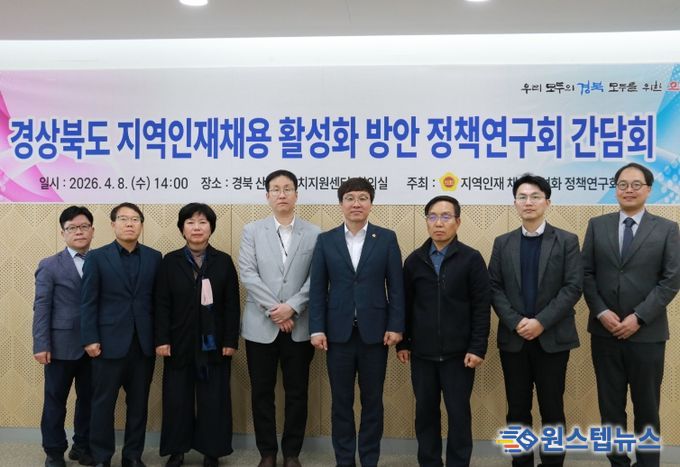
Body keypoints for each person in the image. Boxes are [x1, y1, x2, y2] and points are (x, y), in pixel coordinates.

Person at [582, 162, 680, 467]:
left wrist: (639, 317)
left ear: (649, 190)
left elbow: (671, 279)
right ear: (615, 190)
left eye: (636, 184)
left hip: (647, 334)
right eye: (622, 184)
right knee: (610, 407)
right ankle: (618, 463)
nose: (628, 190)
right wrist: (600, 311)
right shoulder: (597, 225)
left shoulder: (667, 229)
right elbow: (585, 274)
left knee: (647, 408)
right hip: (605, 332)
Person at [309, 177, 405, 467]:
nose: (356, 204)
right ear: (341, 204)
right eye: (350, 198)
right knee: (341, 402)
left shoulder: (386, 238)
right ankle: (344, 460)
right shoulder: (326, 240)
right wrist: (317, 328)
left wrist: (396, 325)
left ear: (371, 204)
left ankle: (370, 459)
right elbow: (318, 288)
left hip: (375, 334)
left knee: (372, 401)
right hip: (337, 335)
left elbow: (396, 287)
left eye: (363, 198)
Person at [489, 174, 582, 467]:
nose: (528, 202)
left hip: (552, 338)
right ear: (515, 203)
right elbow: (494, 287)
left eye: (535, 197)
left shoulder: (567, 241)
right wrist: (516, 321)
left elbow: (572, 287)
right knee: (517, 410)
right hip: (514, 338)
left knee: (552, 409)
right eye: (522, 197)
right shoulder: (503, 243)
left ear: (547, 202)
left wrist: (541, 322)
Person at [397, 195, 490, 467]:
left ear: (457, 222)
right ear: (426, 221)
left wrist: (477, 347)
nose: (439, 223)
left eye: (446, 216)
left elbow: (482, 307)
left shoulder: (471, 259)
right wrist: (403, 343)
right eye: (433, 217)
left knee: (459, 415)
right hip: (422, 354)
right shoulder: (414, 261)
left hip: (459, 355)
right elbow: (405, 305)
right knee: (425, 414)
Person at [239, 170, 320, 467]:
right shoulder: (252, 230)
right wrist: (277, 310)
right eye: (276, 189)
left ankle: (292, 453)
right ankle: (267, 453)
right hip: (261, 326)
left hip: (299, 325)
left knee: (297, 393)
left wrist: (292, 307)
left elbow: (317, 277)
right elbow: (248, 273)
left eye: (287, 189)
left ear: (297, 194)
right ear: (267, 196)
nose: (282, 194)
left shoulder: (314, 233)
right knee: (262, 392)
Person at [155, 203, 240, 467]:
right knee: (176, 399)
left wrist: (230, 340)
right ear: (182, 229)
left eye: (203, 222)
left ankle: (212, 451)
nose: (196, 228)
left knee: (213, 399)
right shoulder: (170, 261)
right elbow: (161, 304)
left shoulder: (223, 261)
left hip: (213, 343)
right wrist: (162, 339)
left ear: (211, 228)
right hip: (178, 342)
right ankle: (176, 451)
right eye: (190, 222)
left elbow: (232, 304)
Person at [80, 202, 162, 467]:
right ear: (113, 224)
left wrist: (159, 339)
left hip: (143, 344)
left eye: (135, 219)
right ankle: (101, 457)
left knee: (138, 405)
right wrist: (89, 338)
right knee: (103, 404)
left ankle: (132, 456)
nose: (129, 223)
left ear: (141, 225)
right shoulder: (97, 257)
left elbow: (158, 302)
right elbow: (88, 301)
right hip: (107, 344)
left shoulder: (154, 257)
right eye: (124, 219)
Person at [33, 206, 96, 467]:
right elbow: (42, 307)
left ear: (92, 230)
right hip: (59, 346)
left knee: (89, 400)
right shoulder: (49, 265)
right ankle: (54, 450)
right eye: (72, 228)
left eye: (83, 226)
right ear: (63, 233)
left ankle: (82, 445)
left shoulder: (100, 261)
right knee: (55, 401)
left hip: (94, 345)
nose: (78, 232)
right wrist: (41, 344)